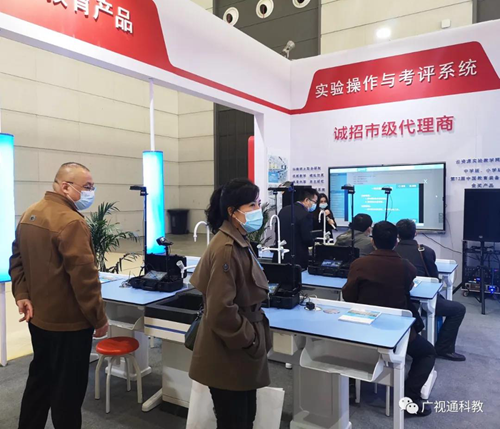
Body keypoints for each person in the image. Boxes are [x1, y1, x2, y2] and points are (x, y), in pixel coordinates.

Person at [9, 162, 108, 429]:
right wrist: (99, 318)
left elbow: (16, 259)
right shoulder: (71, 222)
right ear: (65, 186)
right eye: (87, 186)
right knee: (68, 393)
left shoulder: (30, 213)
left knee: (39, 382)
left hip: (38, 318)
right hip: (70, 325)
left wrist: (22, 293)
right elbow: (85, 279)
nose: (91, 192)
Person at [189, 178, 272, 429]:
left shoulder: (238, 240)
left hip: (237, 349)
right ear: (232, 211)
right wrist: (250, 338)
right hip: (229, 352)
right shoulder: (226, 248)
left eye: (258, 203)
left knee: (245, 417)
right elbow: (220, 309)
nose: (258, 209)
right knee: (234, 421)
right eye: (251, 204)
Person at [342, 221, 436, 417]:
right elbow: (408, 289)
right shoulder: (407, 267)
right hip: (396, 332)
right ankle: (410, 399)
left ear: (373, 241)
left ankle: (350, 386)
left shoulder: (358, 264)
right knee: (427, 352)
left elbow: (348, 296)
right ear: (396, 242)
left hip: (362, 329)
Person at [395, 219, 466, 361]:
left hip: (398, 300)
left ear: (397, 235)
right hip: (422, 300)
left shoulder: (392, 252)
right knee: (458, 309)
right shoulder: (426, 251)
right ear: (415, 233)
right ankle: (444, 348)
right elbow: (434, 279)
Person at [274, 188, 318, 269]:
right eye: (314, 202)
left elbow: (277, 230)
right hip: (297, 259)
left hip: (280, 256)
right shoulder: (305, 214)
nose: (315, 205)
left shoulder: (283, 210)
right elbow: (307, 238)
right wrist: (314, 242)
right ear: (306, 200)